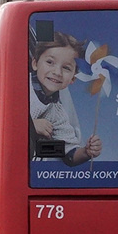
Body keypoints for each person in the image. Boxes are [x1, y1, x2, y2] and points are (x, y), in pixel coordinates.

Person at [30, 32, 103, 167]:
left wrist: (86, 152)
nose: (57, 72)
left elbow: (69, 153)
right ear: (35, 63)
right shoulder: (20, 88)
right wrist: (30, 125)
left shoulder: (57, 113)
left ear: (73, 79)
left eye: (66, 68)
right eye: (50, 62)